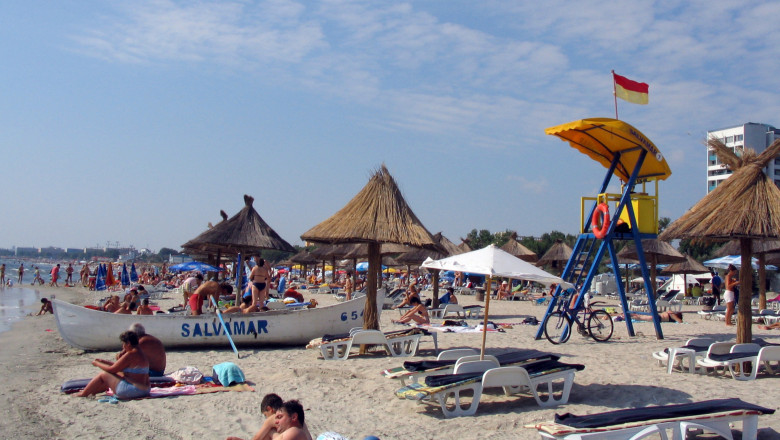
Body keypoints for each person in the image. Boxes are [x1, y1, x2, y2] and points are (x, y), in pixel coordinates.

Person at [76, 330, 150, 399]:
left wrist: (97, 364)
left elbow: (112, 370)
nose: (123, 346)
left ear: (128, 343)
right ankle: (90, 391)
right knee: (115, 375)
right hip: (145, 390)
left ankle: (84, 394)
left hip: (133, 391)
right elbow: (119, 366)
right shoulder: (140, 353)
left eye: (123, 344)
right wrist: (103, 361)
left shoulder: (131, 354)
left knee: (104, 374)